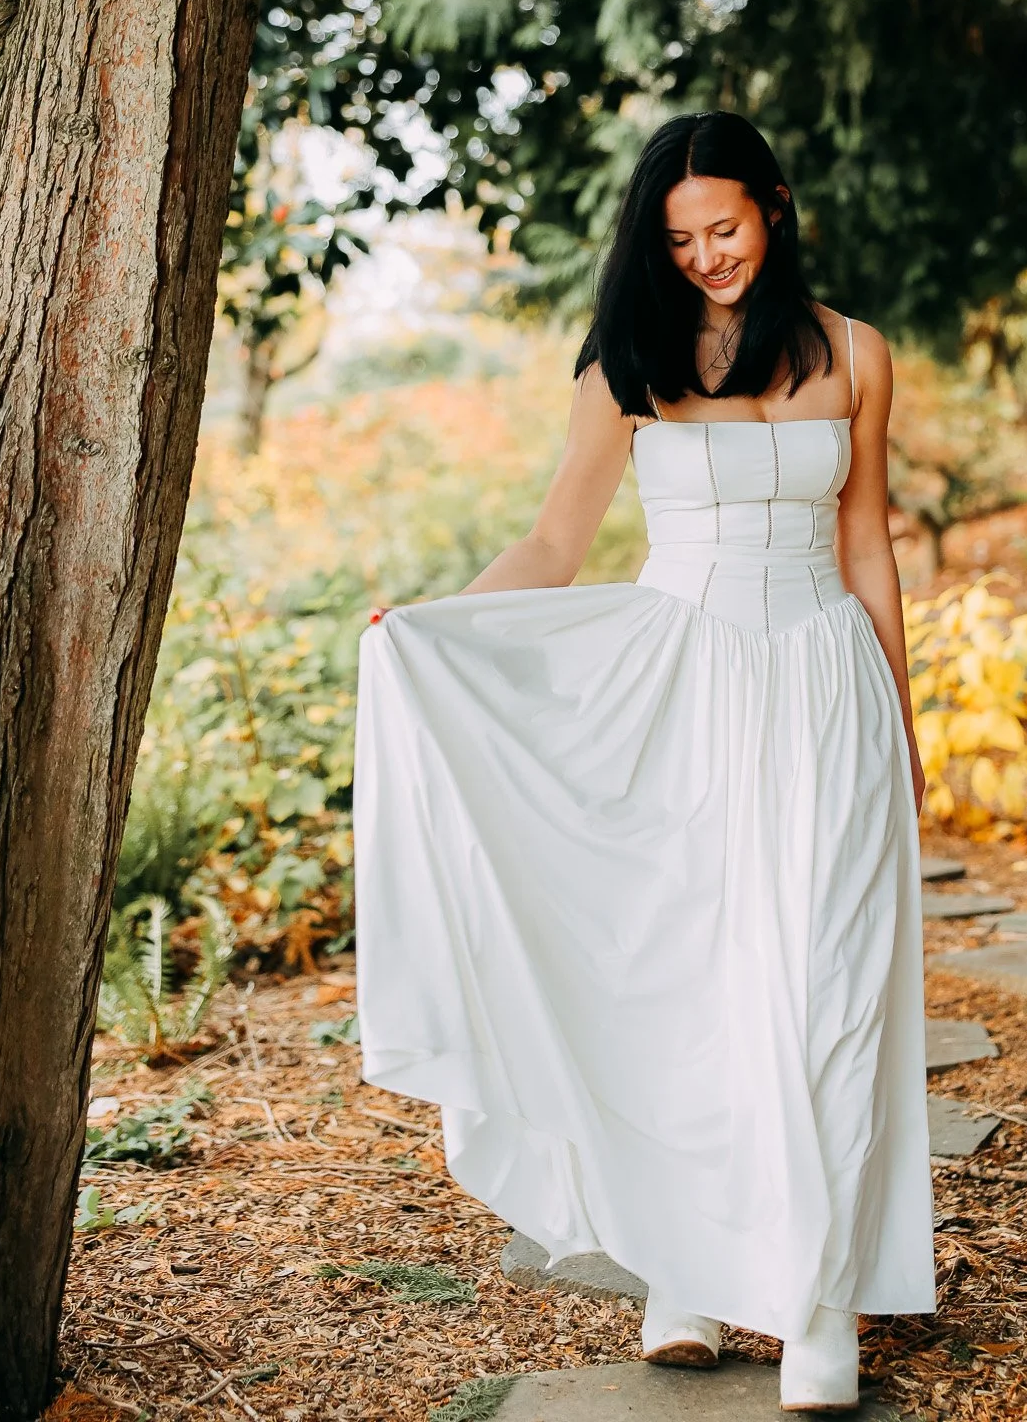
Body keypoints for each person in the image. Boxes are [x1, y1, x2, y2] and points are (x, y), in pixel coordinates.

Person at [355, 111, 935, 1410]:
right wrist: (438, 622)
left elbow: (867, 545)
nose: (704, 256)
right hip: (679, 680)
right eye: (678, 239)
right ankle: (688, 1266)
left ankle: (819, 1298)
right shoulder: (624, 359)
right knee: (695, 975)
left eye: (723, 228)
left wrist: (903, 720)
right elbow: (556, 546)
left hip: (827, 677)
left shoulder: (855, 353)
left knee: (830, 975)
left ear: (774, 208)